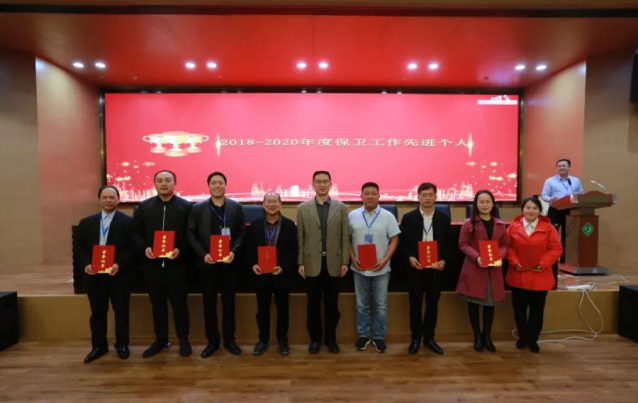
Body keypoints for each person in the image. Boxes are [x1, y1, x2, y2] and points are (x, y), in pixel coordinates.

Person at [132, 170, 193, 358]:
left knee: (179, 304)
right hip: (152, 265)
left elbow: (191, 233)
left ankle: (183, 339)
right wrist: (145, 248)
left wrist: (180, 249)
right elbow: (136, 233)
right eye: (159, 180)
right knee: (157, 304)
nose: (164, 183)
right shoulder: (144, 207)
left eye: (168, 180)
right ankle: (160, 339)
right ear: (155, 184)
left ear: (175, 183)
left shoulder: (186, 207)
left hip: (177, 265)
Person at [188, 171, 245, 357]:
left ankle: (229, 340)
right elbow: (191, 233)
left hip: (229, 263)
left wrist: (233, 251)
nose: (217, 186)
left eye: (220, 183)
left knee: (229, 303)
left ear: (225, 185)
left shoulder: (236, 207)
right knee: (209, 304)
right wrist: (203, 254)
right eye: (214, 183)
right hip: (208, 264)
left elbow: (242, 233)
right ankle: (212, 341)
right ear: (208, 186)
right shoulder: (198, 208)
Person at [75, 186, 132, 363]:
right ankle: (98, 346)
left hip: (118, 275)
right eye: (105, 197)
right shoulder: (86, 222)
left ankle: (122, 344)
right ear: (99, 200)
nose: (108, 200)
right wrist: (86, 264)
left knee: (121, 312)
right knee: (97, 312)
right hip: (94, 275)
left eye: (112, 197)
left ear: (118, 200)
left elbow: (131, 248)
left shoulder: (128, 222)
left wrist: (119, 264)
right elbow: (79, 248)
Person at [297, 170, 350, 354]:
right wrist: (300, 262)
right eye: (318, 181)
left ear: (330, 184)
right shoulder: (302, 208)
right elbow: (300, 237)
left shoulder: (341, 207)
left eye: (325, 181)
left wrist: (345, 261)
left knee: (332, 305)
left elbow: (345, 237)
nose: (321, 184)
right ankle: (315, 340)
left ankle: (331, 339)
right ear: (312, 185)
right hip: (311, 263)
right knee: (312, 305)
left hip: (334, 263)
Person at [398, 182, 451, 355]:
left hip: (435, 269)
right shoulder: (409, 218)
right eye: (424, 195)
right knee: (415, 305)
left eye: (431, 195)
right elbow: (401, 244)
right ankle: (415, 338)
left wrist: (444, 260)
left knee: (432, 305)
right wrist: (410, 258)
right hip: (416, 268)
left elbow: (450, 244)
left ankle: (429, 338)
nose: (427, 198)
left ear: (436, 197)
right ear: (418, 197)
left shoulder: (443, 218)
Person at [506, 196, 563, 354]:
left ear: (540, 211)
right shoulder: (513, 227)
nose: (531, 211)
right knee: (519, 310)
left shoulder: (548, 228)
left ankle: (533, 340)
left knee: (537, 311)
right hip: (519, 274)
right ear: (522, 210)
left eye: (535, 208)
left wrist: (543, 263)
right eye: (528, 208)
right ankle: (522, 337)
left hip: (540, 276)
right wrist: (513, 260)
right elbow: (507, 247)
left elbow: (556, 249)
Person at [348, 182, 400, 353]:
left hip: (381, 269)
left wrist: (385, 260)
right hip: (359, 268)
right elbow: (346, 239)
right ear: (361, 196)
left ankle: (378, 337)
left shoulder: (388, 216)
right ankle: (363, 335)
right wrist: (352, 257)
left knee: (381, 305)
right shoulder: (352, 215)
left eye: (373, 193)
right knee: (361, 305)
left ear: (379, 196)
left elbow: (394, 239)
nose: (370, 196)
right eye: (367, 193)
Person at [246, 192, 298, 356]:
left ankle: (282, 340)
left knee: (283, 310)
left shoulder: (289, 225)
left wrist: (283, 267)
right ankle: (263, 340)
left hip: (281, 274)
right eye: (268, 201)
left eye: (275, 201)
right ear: (263, 205)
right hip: (261, 274)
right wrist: (253, 264)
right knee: (262, 310)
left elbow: (294, 250)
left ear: (280, 204)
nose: (272, 204)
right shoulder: (254, 225)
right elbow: (248, 249)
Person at [456, 190, 507, 353]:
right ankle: (477, 336)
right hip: (475, 269)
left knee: (490, 305)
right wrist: (477, 257)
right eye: (481, 202)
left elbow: (504, 245)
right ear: (476, 204)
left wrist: (499, 256)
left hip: (493, 270)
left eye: (487, 202)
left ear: (493, 204)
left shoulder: (500, 224)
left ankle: (487, 336)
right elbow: (463, 244)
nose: (485, 205)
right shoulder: (468, 223)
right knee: (474, 304)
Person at [541, 158, 583, 264]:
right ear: (557, 168)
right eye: (559, 166)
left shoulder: (575, 181)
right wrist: (550, 198)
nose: (561, 168)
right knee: (552, 235)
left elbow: (581, 193)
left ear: (569, 167)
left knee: (568, 235)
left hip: (570, 211)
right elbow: (544, 195)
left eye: (564, 166)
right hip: (555, 210)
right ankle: (551, 261)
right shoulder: (550, 181)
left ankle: (565, 260)